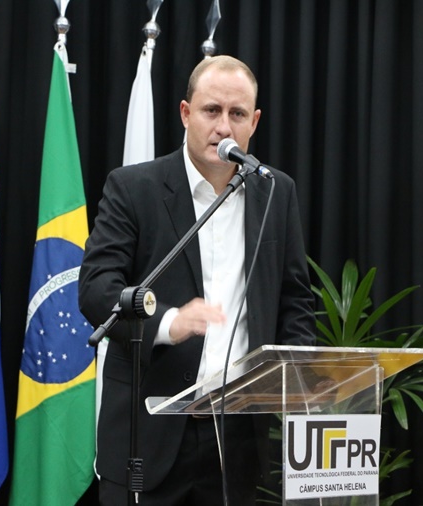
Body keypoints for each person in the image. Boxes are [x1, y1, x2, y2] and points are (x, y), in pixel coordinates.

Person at [79, 55, 315, 505]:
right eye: (211, 110)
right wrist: (169, 322)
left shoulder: (275, 191)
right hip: (148, 435)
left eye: (237, 114)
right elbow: (96, 290)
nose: (224, 127)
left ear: (254, 123)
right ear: (186, 113)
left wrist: (297, 375)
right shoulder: (134, 188)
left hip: (237, 438)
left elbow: (294, 300)